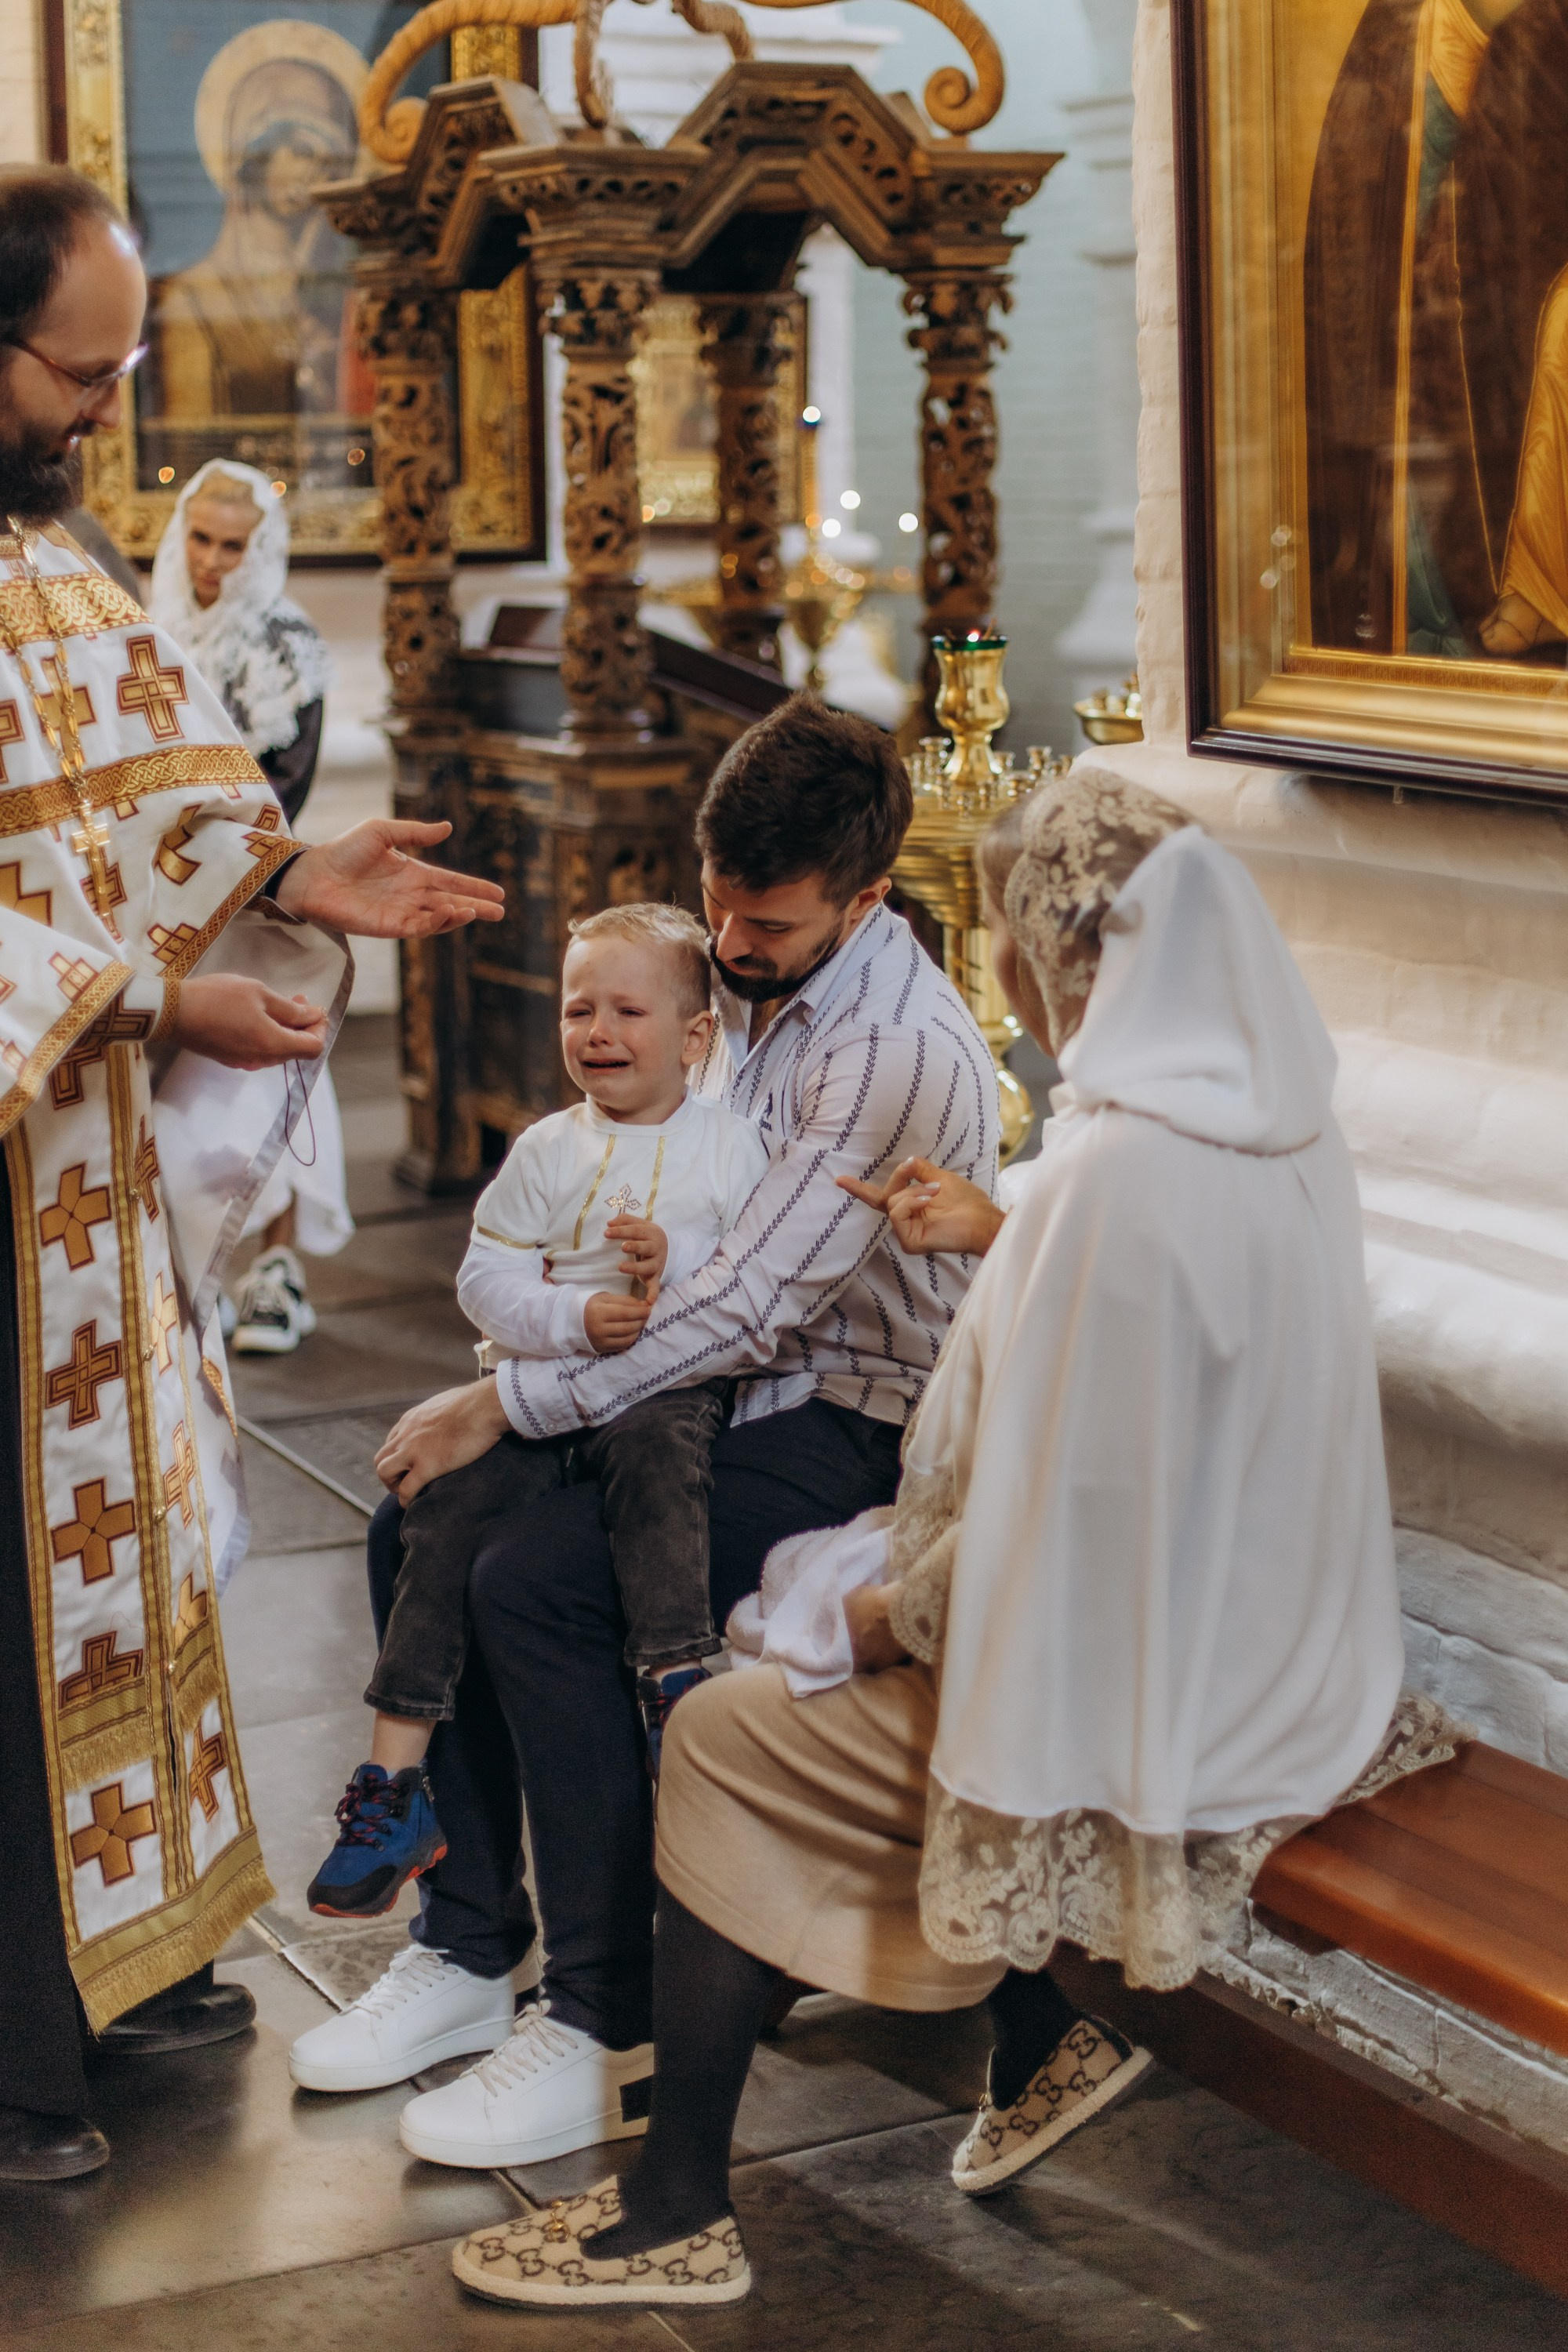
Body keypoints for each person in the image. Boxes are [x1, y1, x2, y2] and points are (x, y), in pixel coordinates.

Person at [445, 767, 1461, 2312]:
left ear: (1064, 959)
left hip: (1167, 1685)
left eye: (1002, 934)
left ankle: (671, 2210)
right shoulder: (1269, 1122)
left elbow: (1058, 1511)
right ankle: (1034, 2031)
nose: (995, 968)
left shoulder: (1116, 1173)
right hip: (1276, 1629)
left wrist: (877, 1617)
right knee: (794, 1613)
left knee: (727, 1723)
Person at [286, 692, 1001, 2171]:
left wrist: (509, 1397)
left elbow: (748, 1311)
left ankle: (608, 2015)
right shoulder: (738, 961)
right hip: (707, 1385)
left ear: (864, 899)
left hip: (852, 1415)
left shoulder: (887, 1053)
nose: (732, 957)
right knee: (413, 1522)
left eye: (771, 932)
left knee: (535, 1579)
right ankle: (470, 1946)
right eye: (722, 916)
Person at [0, 162, 503, 2182]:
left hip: (82, 1183)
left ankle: (120, 1961)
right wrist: (144, 1003)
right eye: (84, 369)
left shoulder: (48, 547)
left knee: (119, 1563)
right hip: (34, 1138)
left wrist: (299, 870)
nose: (112, 410)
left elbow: (154, 779)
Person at [305, 902, 768, 1921]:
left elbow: (753, 1289)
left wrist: (673, 1267)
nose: (596, 1031)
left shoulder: (734, 1149)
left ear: (697, 1038)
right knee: (440, 1513)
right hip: (546, 1394)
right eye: (577, 1009)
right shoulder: (549, 1148)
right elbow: (484, 1275)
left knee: (663, 1468)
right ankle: (393, 1784)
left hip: (667, 1394)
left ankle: (673, 1688)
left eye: (627, 1011)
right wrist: (566, 1312)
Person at [149, 457, 349, 1354]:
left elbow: (286, 783)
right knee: (184, 1083)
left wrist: (223, 856)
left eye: (234, 546)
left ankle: (280, 1265)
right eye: (200, 539)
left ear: (261, 548)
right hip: (165, 886)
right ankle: (205, 1264)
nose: (213, 562)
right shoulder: (150, 624)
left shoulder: (285, 640)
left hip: (256, 881)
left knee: (279, 1066)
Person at [1305, 0, 1568, 659]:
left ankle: (1538, 591)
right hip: (1431, 305)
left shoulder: (1540, 30)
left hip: (1513, 288)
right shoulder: (1400, 27)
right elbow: (1359, 189)